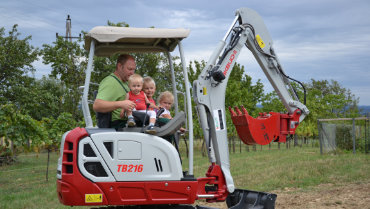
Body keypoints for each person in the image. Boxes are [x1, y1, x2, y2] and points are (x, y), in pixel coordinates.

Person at [93, 54, 137, 128]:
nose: (132, 73)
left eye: (133, 70)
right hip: (120, 125)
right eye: (129, 69)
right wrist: (121, 104)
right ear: (119, 66)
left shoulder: (126, 82)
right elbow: (97, 105)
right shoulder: (110, 82)